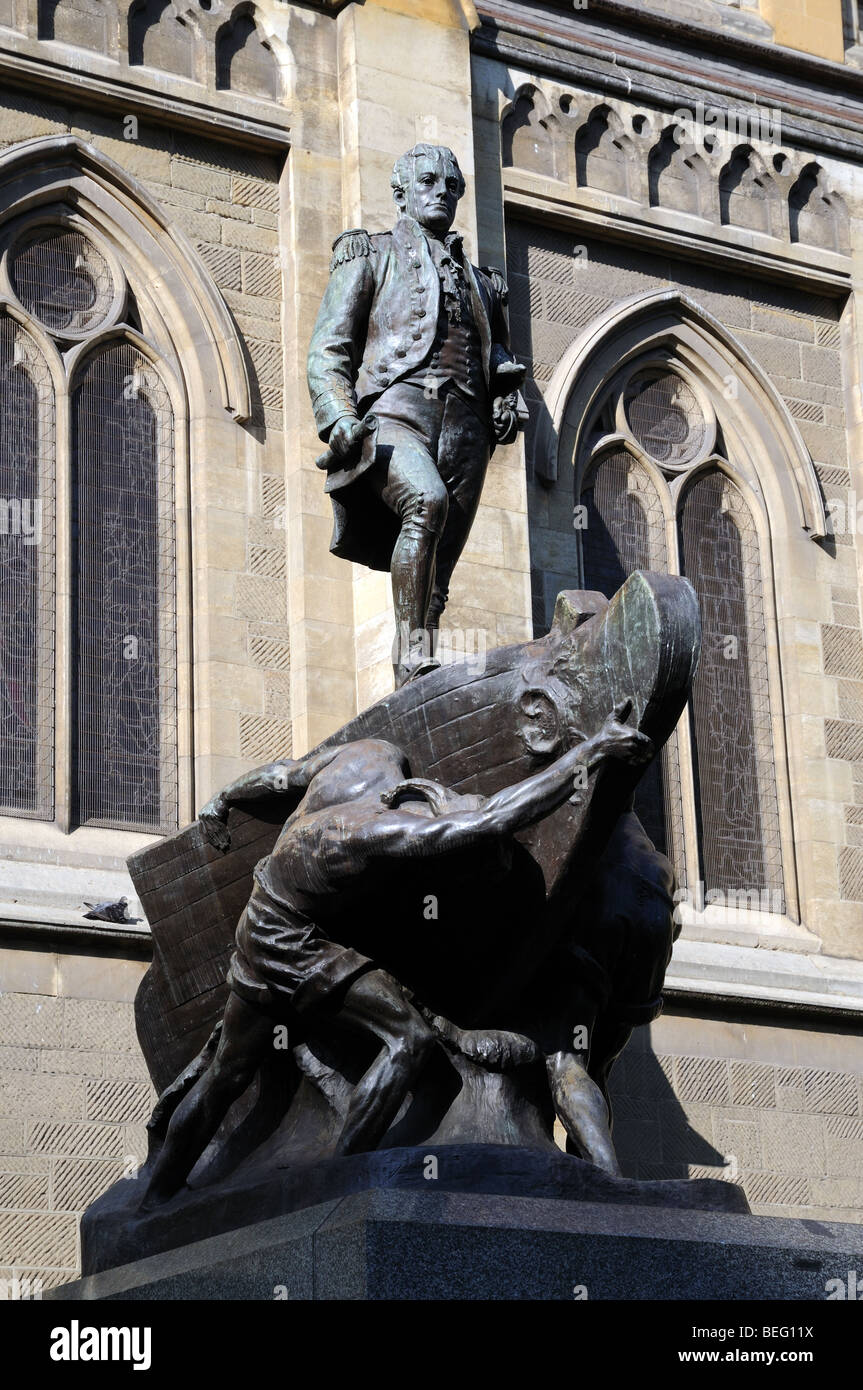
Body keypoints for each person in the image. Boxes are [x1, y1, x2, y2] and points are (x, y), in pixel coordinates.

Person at [140, 708, 651, 1207]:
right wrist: (593, 750)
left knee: (227, 1072)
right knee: (408, 1038)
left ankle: (157, 1195)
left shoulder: (369, 756)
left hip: (261, 925)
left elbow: (283, 775)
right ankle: (337, 1183)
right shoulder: (373, 833)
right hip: (293, 945)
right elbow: (493, 819)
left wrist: (225, 796)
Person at [307, 143, 524, 686]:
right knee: (424, 502)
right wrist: (338, 417)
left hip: (467, 428)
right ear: (400, 192)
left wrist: (503, 400)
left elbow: (497, 356)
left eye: (452, 186)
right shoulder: (368, 253)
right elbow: (329, 348)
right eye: (428, 181)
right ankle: (410, 655)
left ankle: (417, 686)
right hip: (399, 413)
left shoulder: (483, 282)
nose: (442, 193)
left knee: (440, 567)